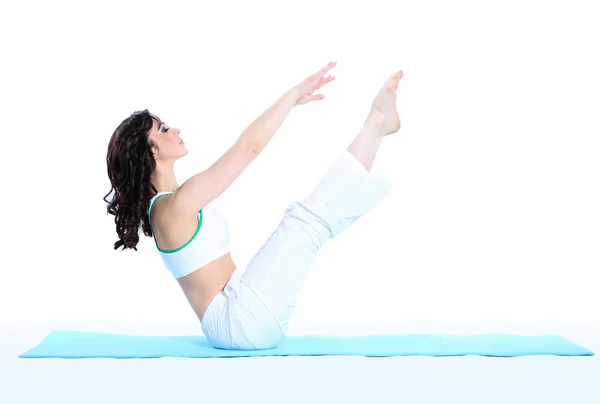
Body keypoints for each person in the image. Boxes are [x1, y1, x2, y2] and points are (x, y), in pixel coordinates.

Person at [104, 61, 404, 350]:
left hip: (238, 318)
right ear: (151, 151)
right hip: (240, 323)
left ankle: (377, 125)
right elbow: (248, 148)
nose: (176, 130)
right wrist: (292, 97)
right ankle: (377, 123)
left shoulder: (171, 203)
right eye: (164, 129)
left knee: (304, 224)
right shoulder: (174, 206)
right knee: (303, 224)